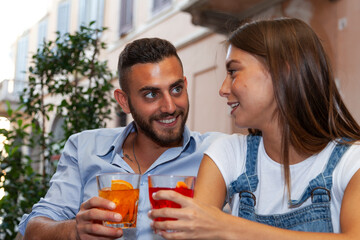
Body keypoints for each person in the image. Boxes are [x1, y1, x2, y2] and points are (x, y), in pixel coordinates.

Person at [148, 18, 360, 239]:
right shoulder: (229, 153)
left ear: (281, 73)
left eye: (233, 72)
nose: (223, 89)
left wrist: (227, 226)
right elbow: (192, 232)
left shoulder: (351, 162)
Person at [18, 38, 223, 239]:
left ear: (185, 85)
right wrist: (74, 231)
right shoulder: (84, 147)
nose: (169, 107)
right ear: (123, 101)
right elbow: (33, 229)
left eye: (176, 89)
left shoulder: (216, 152)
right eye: (151, 94)